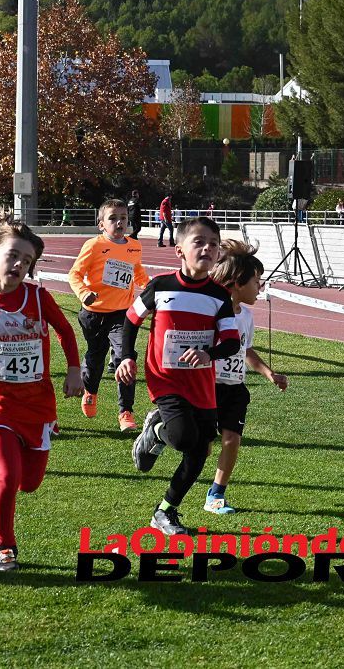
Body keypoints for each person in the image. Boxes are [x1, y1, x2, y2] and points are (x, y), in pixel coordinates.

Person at [0, 212, 82, 571]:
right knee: (7, 476)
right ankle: (5, 546)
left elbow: (66, 332)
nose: (19, 264)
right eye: (13, 255)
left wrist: (74, 370)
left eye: (26, 260)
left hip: (39, 403)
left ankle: (10, 521)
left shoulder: (39, 299)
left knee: (29, 483)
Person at [116, 216, 241, 535]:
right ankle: (157, 430)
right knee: (185, 438)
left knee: (200, 450)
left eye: (213, 244)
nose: (208, 248)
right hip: (165, 378)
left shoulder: (219, 296)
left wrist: (207, 354)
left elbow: (230, 341)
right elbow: (131, 320)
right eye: (199, 242)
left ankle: (165, 511)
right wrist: (127, 356)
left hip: (200, 383)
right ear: (179, 250)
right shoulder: (161, 286)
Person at [204, 240, 287, 515]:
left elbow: (245, 349)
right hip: (206, 387)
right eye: (256, 281)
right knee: (201, 448)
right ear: (238, 283)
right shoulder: (210, 313)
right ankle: (158, 431)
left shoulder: (247, 316)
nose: (259, 288)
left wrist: (268, 373)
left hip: (235, 388)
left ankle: (216, 495)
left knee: (231, 440)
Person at [67, 199, 149, 432]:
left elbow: (137, 271)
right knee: (95, 358)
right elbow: (75, 274)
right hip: (93, 314)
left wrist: (151, 286)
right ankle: (90, 391)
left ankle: (126, 411)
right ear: (101, 223)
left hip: (122, 314)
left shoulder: (134, 246)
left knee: (126, 357)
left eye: (123, 217)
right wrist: (84, 294)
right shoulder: (93, 245)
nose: (119, 222)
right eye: (113, 218)